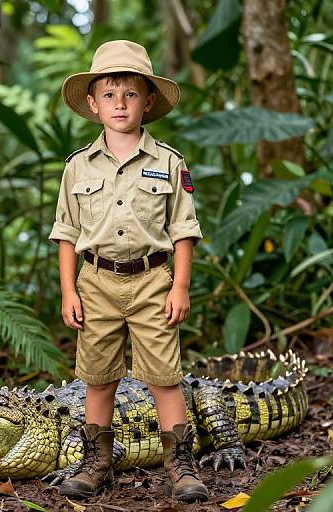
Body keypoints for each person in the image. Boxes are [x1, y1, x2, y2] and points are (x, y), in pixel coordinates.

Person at [48, 40, 208, 503]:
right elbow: (65, 233)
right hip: (95, 282)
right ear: (93, 104)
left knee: (164, 375)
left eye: (131, 93)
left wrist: (179, 286)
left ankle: (180, 465)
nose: (120, 103)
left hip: (153, 281)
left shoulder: (169, 163)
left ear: (149, 101)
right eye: (110, 95)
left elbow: (183, 230)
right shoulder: (77, 168)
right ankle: (97, 461)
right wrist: (67, 291)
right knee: (97, 377)